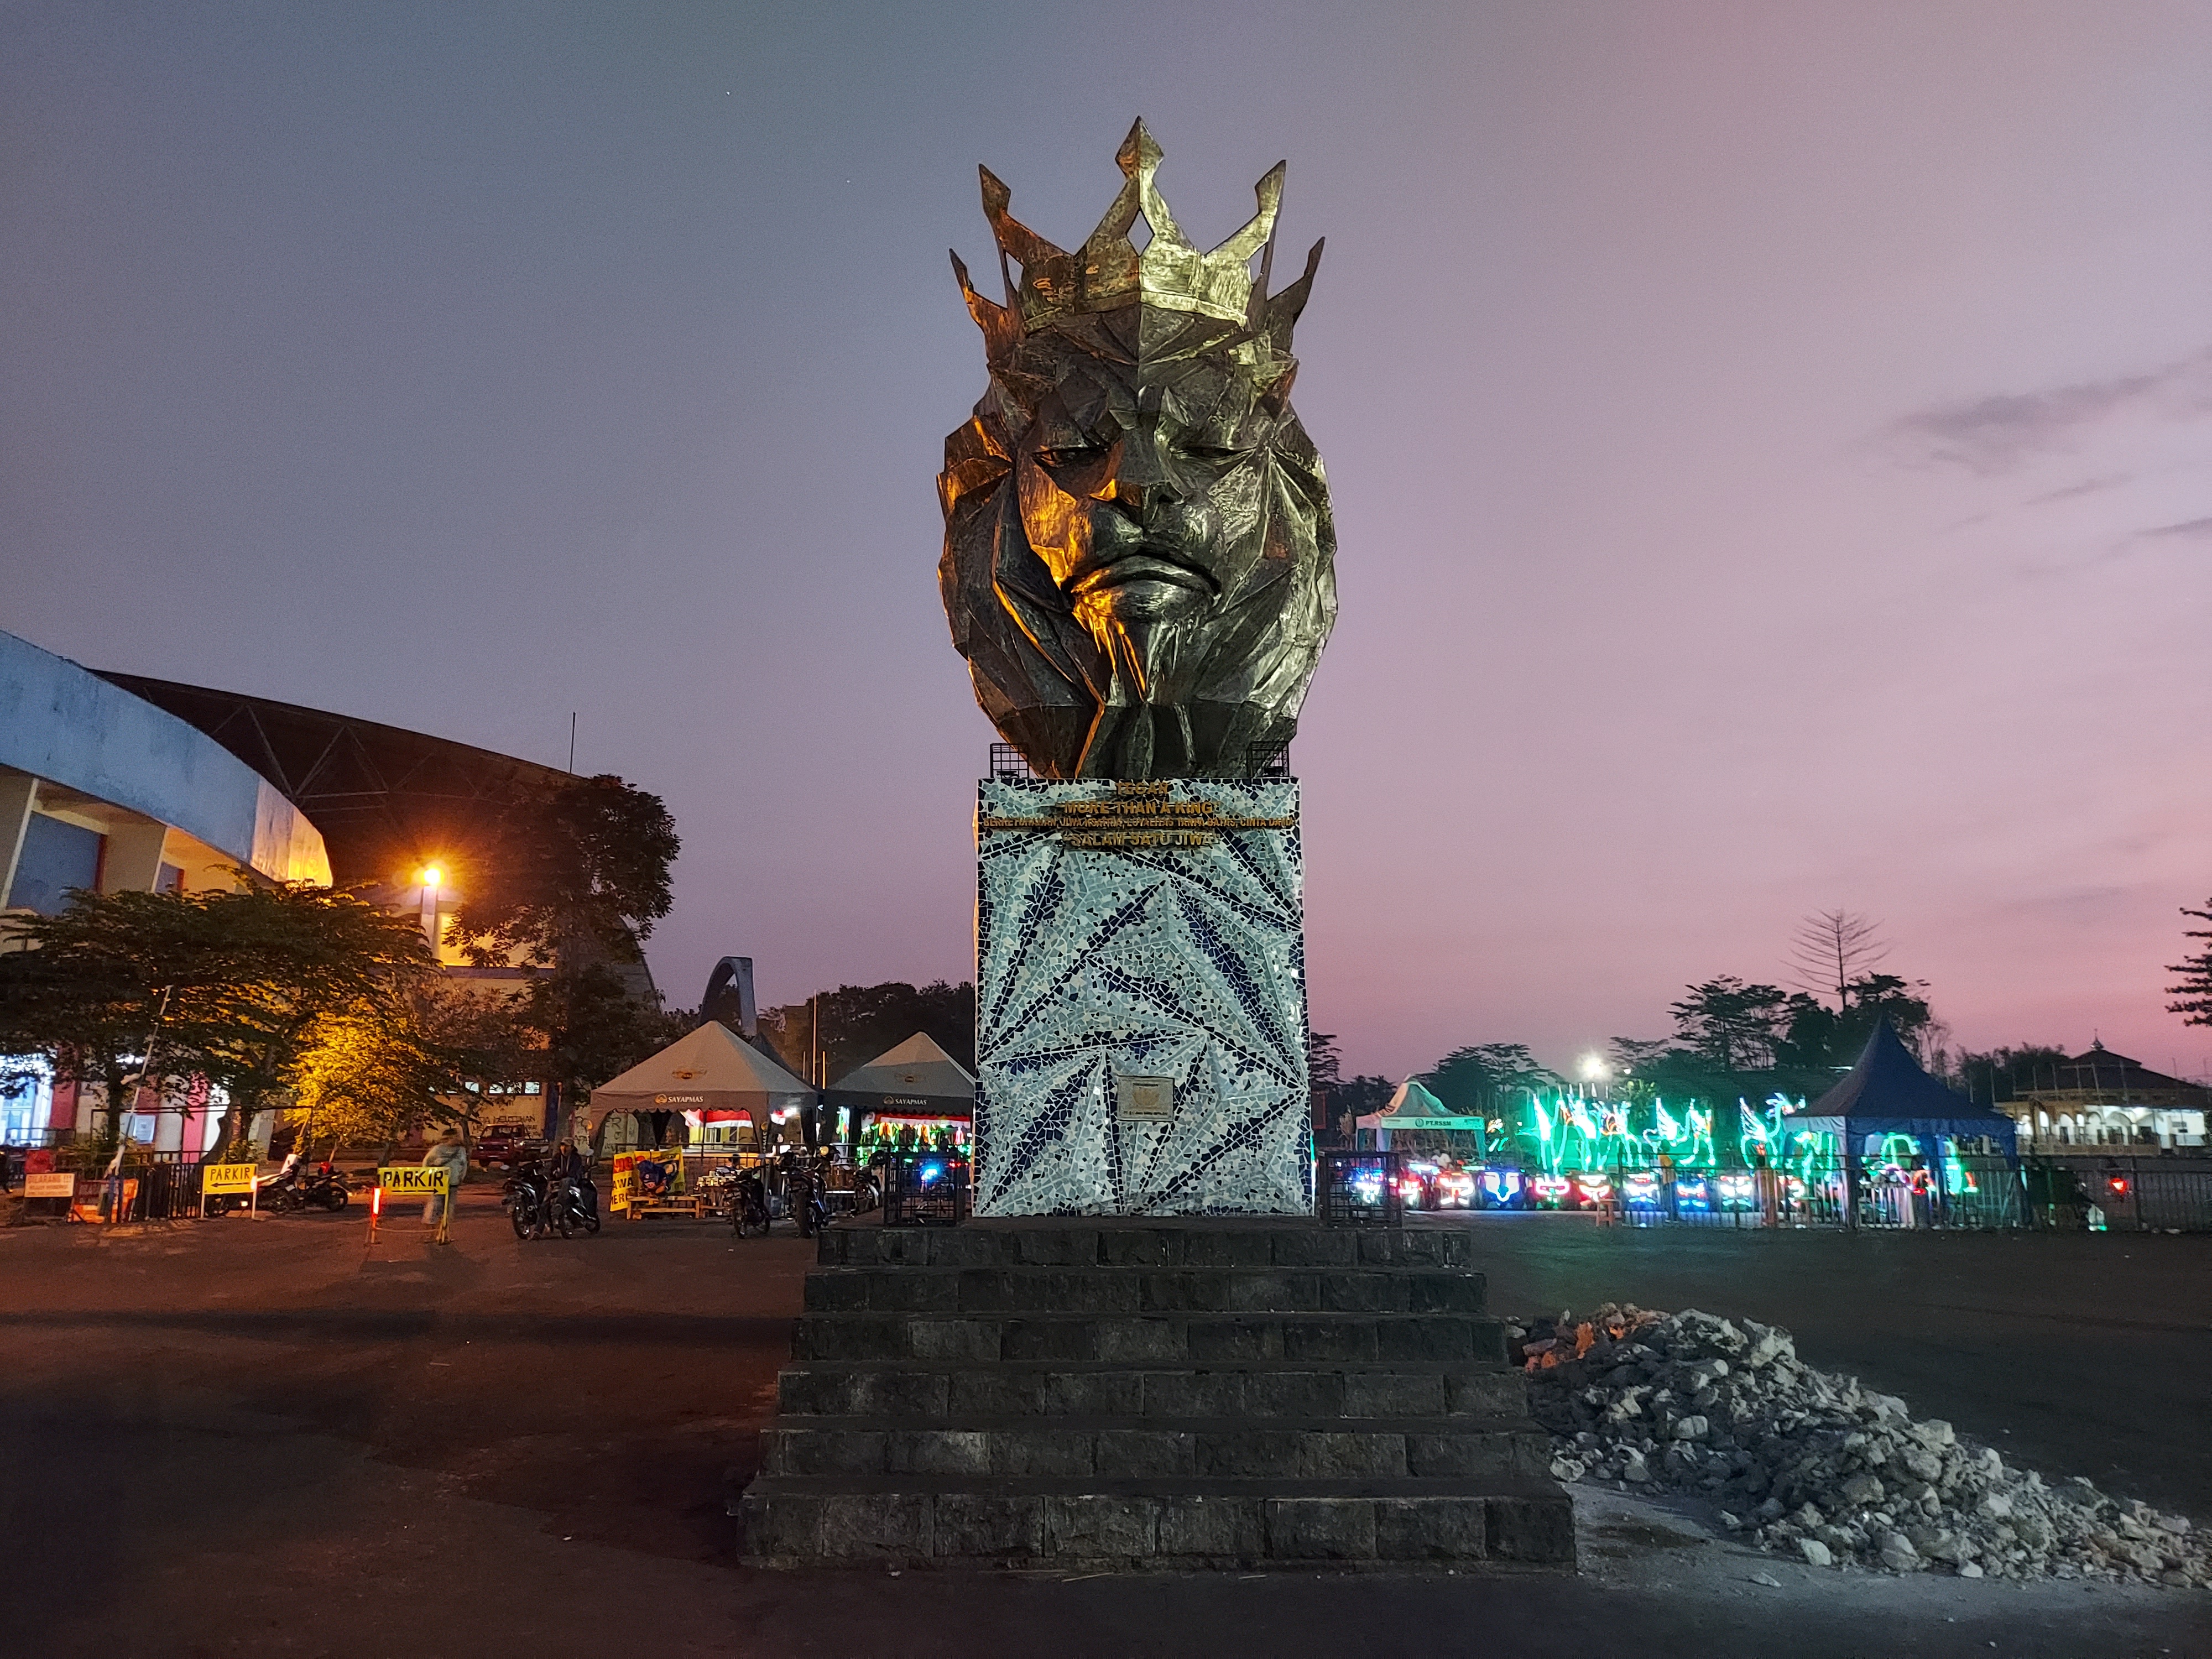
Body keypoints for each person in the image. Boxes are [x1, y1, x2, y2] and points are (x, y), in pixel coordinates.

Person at [420, 1127, 468, 1240]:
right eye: (455, 1137)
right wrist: (428, 1176)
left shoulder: (461, 1150)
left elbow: (464, 1164)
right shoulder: (438, 1149)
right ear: (449, 1138)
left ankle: (444, 1235)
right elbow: (426, 1163)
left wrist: (462, 1177)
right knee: (434, 1208)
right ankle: (430, 1235)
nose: (458, 1139)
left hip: (453, 1184)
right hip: (439, 1185)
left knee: (449, 1211)